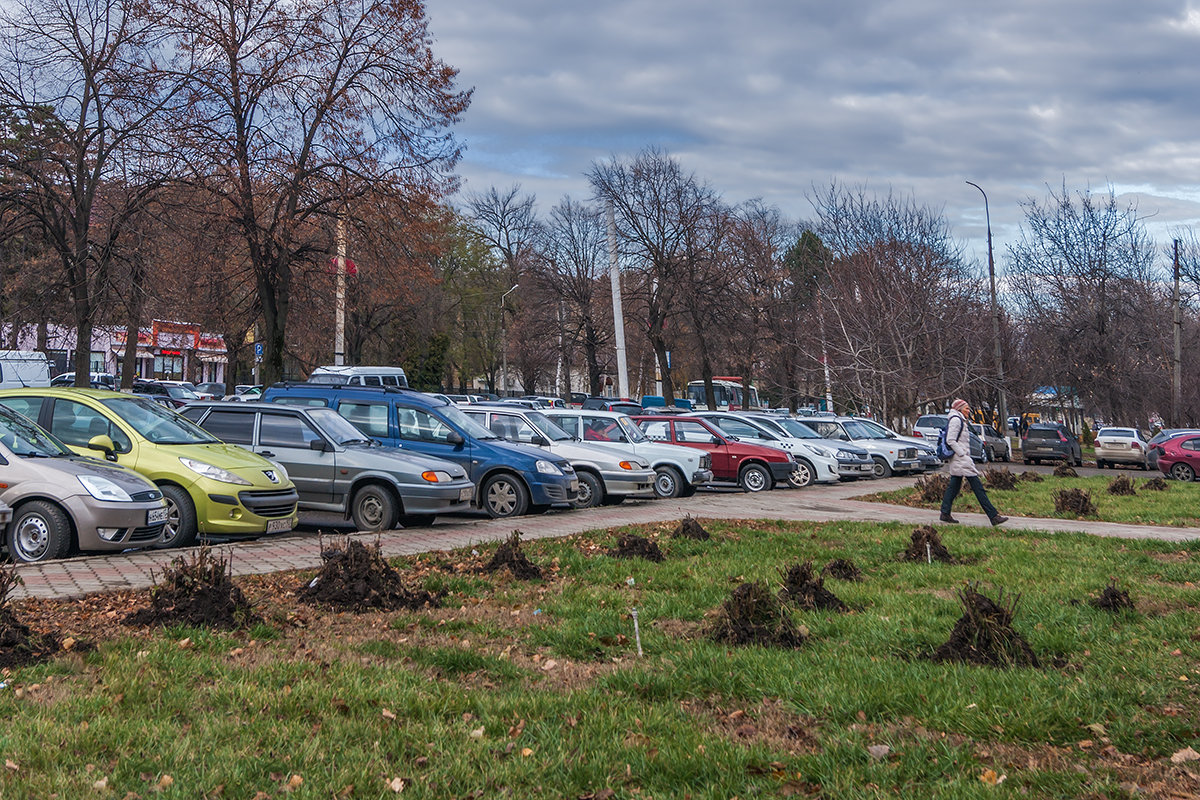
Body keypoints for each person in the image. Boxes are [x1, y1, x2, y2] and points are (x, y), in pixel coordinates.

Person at [940, 398, 1008, 526]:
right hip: (961, 459)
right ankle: (993, 516)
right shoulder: (956, 420)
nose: (968, 410)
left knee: (953, 487)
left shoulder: (959, 420)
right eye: (966, 408)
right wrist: (962, 453)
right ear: (959, 409)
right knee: (978, 488)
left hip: (960, 459)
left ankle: (945, 513)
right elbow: (950, 440)